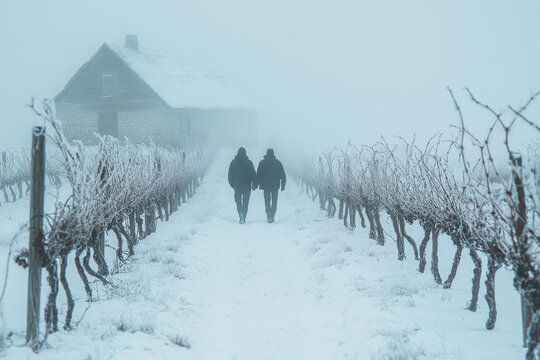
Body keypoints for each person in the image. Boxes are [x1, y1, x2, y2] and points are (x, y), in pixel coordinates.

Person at [256, 148, 286, 223]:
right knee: (274, 201)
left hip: (265, 186)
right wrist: (283, 185)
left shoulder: (262, 163)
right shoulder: (278, 163)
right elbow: (283, 175)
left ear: (266, 153)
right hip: (275, 186)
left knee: (267, 201)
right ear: (273, 153)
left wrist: (256, 184)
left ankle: (268, 214)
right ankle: (272, 215)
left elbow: (258, 175)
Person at [228, 147, 257, 224]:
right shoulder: (249, 163)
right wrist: (254, 185)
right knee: (246, 202)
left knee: (238, 201)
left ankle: (240, 213)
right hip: (247, 187)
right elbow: (253, 175)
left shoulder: (233, 162)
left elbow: (230, 176)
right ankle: (243, 215)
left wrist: (233, 185)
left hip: (237, 186)